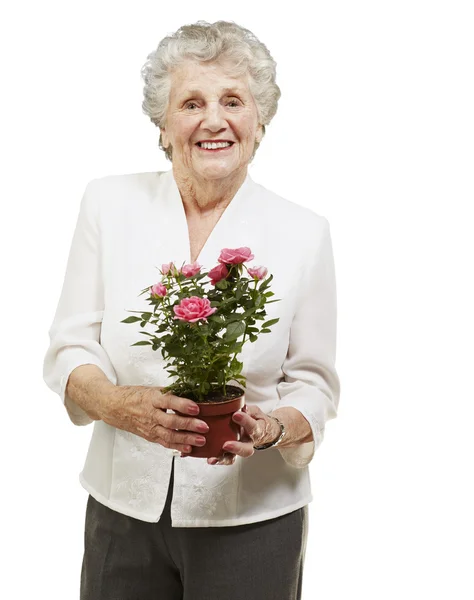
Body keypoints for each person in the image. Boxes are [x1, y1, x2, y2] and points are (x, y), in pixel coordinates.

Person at [43, 19, 340, 600]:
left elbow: (315, 384)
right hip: (122, 506)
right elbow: (70, 344)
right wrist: (119, 404)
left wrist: (275, 427)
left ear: (260, 123)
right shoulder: (109, 203)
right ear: (162, 124)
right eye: (191, 102)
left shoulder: (304, 232)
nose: (213, 120)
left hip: (252, 518)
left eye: (233, 101)